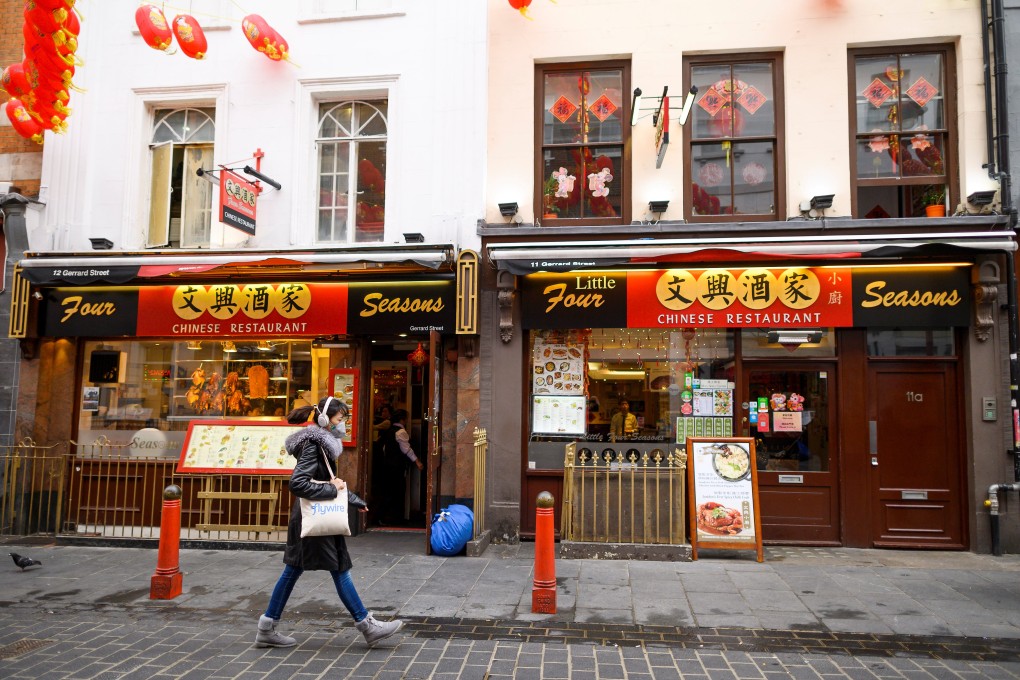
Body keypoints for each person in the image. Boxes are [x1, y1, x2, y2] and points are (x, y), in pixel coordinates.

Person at [255, 396, 403, 648]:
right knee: (338, 568)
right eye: (339, 419)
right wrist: (335, 491)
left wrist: (352, 498)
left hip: (312, 518)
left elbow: (329, 480)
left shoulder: (322, 444)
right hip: (313, 520)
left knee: (297, 570)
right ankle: (367, 626)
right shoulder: (314, 444)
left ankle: (267, 627)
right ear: (324, 420)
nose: (342, 424)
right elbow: (298, 483)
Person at [378, 409, 425, 525]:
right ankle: (395, 519)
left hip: (387, 466)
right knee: (397, 492)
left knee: (388, 492)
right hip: (396, 467)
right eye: (406, 419)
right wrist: (417, 462)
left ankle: (382, 517)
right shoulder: (400, 432)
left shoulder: (390, 430)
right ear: (402, 419)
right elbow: (407, 450)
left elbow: (384, 448)